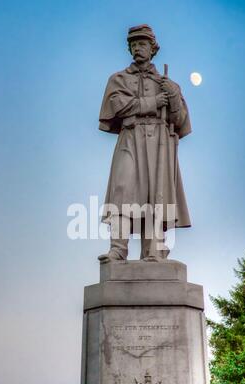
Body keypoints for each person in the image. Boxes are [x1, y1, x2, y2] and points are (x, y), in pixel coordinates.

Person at [98, 25, 191, 262]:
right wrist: (153, 101)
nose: (137, 48)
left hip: (160, 143)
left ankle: (154, 250)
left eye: (142, 44)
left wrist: (172, 98)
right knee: (122, 191)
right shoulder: (119, 79)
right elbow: (118, 106)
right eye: (134, 45)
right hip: (131, 139)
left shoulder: (167, 84)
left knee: (156, 196)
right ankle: (118, 249)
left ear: (153, 49)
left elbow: (180, 122)